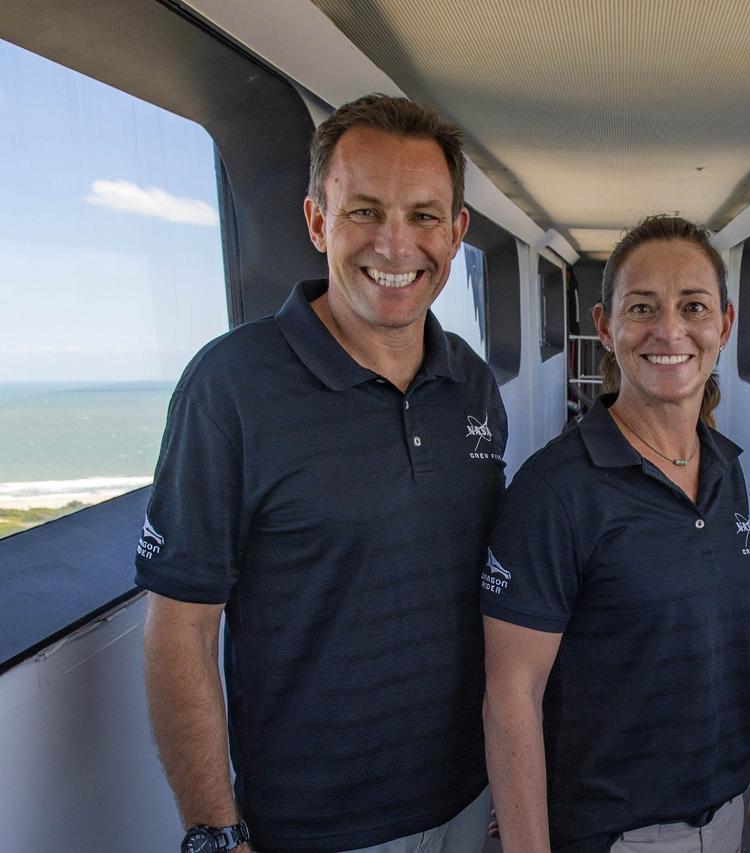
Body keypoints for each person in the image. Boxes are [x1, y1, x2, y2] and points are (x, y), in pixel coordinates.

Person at [136, 94, 506, 853]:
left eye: (425, 216)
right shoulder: (230, 387)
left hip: (470, 799)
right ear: (317, 223)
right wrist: (217, 831)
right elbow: (181, 628)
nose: (396, 245)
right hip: (315, 827)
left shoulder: (472, 383)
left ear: (458, 231)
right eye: (364, 211)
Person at [481, 215, 750, 853]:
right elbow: (512, 696)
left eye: (693, 307)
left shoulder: (726, 470)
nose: (669, 331)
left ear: (724, 326)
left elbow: (738, 638)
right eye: (642, 307)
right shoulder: (554, 492)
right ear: (605, 325)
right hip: (615, 835)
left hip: (728, 813)